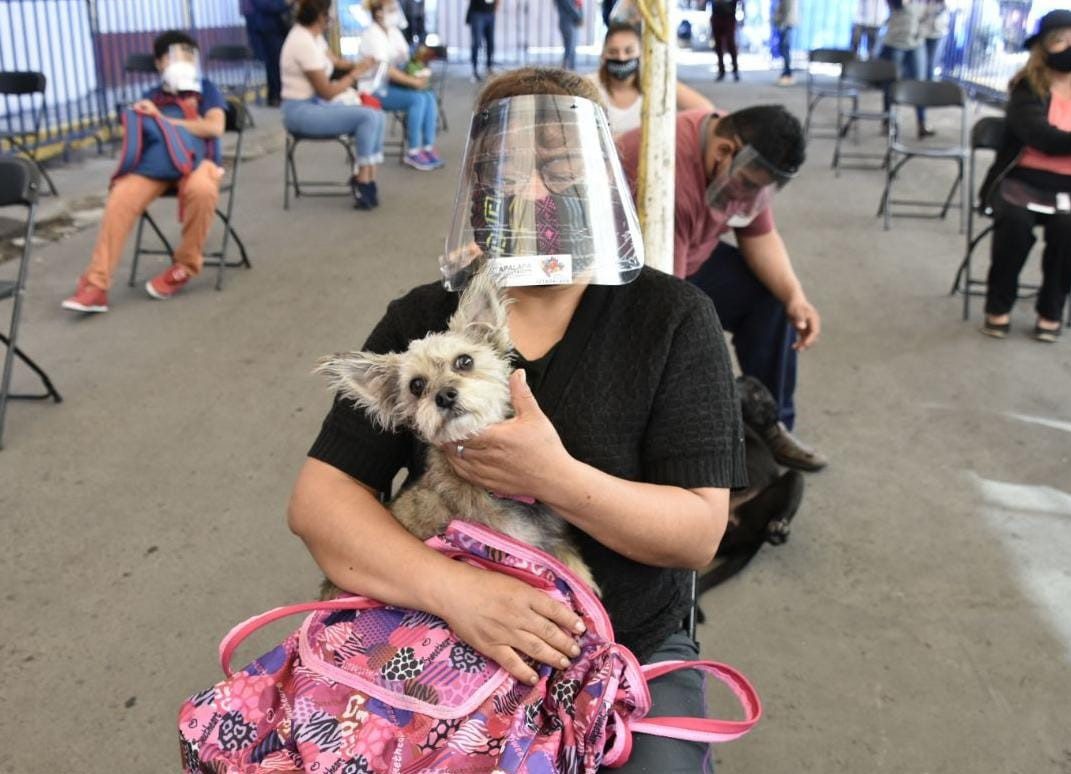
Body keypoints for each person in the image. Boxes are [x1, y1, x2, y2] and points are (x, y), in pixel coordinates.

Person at [288, 67, 746, 772]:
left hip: (627, 642)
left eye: (561, 165)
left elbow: (695, 535)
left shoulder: (671, 318)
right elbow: (320, 503)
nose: (534, 190)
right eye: (508, 169)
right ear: (477, 181)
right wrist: (454, 591)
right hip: (436, 631)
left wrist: (554, 478)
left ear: (602, 172)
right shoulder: (421, 321)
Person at [616, 105, 829, 470]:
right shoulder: (665, 170)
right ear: (724, 151)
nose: (748, 196)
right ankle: (694, 446)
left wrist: (795, 296)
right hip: (634, 275)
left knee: (772, 301)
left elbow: (759, 234)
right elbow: (667, 297)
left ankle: (770, 426)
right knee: (681, 347)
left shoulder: (746, 158)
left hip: (694, 257)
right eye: (747, 185)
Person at [61, 31, 227, 313]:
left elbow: (214, 127)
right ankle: (97, 284)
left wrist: (163, 120)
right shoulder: (151, 96)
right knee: (122, 195)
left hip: (201, 162)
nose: (183, 61)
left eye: (189, 55)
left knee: (202, 190)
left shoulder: (206, 89)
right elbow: (139, 137)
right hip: (159, 165)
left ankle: (186, 265)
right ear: (160, 63)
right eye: (175, 56)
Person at [979, 10, 1071, 343]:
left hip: (1068, 186)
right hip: (1022, 178)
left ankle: (1051, 310)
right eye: (1061, 40)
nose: (1068, 47)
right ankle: (998, 304)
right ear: (1044, 47)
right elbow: (1040, 136)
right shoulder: (1027, 86)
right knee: (1015, 225)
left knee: (1068, 230)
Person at [279, 0, 386, 209]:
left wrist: (360, 64)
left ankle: (368, 176)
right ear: (321, 15)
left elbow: (335, 62)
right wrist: (356, 74)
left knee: (376, 113)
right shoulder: (302, 41)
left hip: (315, 105)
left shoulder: (314, 36)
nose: (332, 17)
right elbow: (327, 92)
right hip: (300, 112)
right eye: (329, 12)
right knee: (367, 116)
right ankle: (363, 181)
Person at [586, 21, 713, 136]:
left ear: (641, 53)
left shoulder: (655, 83)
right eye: (613, 52)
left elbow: (706, 111)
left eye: (629, 51)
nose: (621, 57)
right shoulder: (588, 85)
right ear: (603, 55)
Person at [361, 0, 444, 170]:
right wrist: (414, 82)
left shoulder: (393, 32)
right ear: (378, 13)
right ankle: (413, 151)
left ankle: (427, 147)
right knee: (417, 100)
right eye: (390, 9)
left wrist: (418, 74)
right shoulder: (372, 35)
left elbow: (406, 58)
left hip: (392, 85)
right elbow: (387, 69)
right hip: (374, 90)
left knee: (428, 96)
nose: (395, 12)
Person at [877, 0, 933, 138]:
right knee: (891, 84)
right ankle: (887, 122)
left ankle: (921, 123)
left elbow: (929, 13)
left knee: (920, 84)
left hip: (916, 41)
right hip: (896, 41)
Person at [240, 0, 292, 106]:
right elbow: (266, 6)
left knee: (279, 65)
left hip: (279, 29)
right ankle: (276, 97)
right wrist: (286, 3)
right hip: (267, 31)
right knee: (274, 65)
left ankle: (278, 96)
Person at [466, 0, 498, 82]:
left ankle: (489, 67)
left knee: (490, 42)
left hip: (490, 13)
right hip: (477, 13)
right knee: (476, 43)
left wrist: (495, 10)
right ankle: (474, 70)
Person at [919, 0, 949, 82]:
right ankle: (924, 84)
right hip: (924, 34)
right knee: (924, 62)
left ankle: (929, 86)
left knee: (930, 63)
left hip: (937, 34)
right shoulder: (926, 3)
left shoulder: (942, 4)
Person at [710, 0, 740, 82]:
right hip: (716, 15)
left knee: (730, 43)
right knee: (718, 44)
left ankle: (735, 69)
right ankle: (721, 70)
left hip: (729, 16)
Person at [774, 0, 798, 86]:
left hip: (786, 23)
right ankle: (786, 72)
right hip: (786, 22)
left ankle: (788, 73)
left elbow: (787, 8)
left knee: (785, 47)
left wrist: (782, 23)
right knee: (784, 48)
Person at [554, 0, 583, 71]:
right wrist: (579, 17)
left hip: (573, 22)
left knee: (572, 49)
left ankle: (571, 71)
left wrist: (580, 15)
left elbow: (578, 5)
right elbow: (569, 7)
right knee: (569, 49)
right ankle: (566, 71)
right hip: (567, 22)